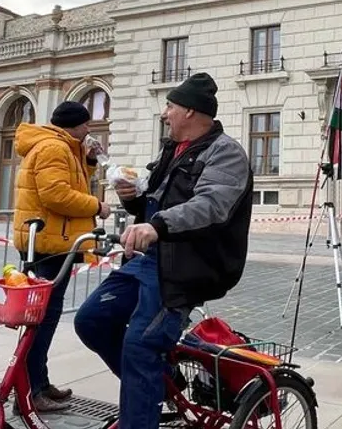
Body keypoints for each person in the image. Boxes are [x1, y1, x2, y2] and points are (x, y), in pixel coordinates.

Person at [74, 72, 252, 429]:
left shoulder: (227, 153)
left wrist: (155, 226)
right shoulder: (172, 149)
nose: (164, 113)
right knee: (91, 321)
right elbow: (153, 206)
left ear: (190, 111)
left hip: (191, 266)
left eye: (170, 106)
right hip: (151, 261)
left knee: (140, 346)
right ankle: (163, 379)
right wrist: (135, 199)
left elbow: (211, 205)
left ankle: (141, 411)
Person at [10, 100, 112, 412]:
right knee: (40, 320)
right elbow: (55, 195)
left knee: (44, 319)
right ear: (75, 126)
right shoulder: (54, 148)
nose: (89, 131)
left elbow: (67, 182)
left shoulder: (61, 146)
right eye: (86, 126)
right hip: (48, 245)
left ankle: (38, 382)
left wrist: (90, 161)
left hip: (51, 241)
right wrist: (97, 206)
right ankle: (29, 392)